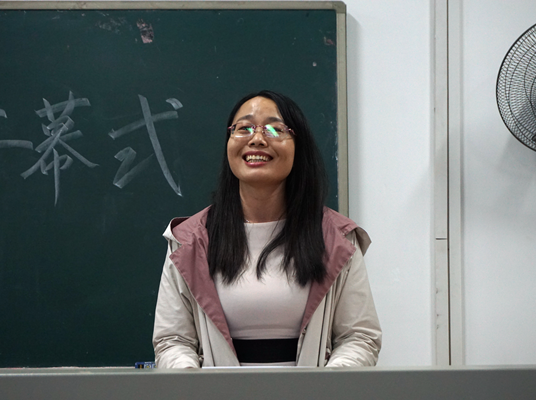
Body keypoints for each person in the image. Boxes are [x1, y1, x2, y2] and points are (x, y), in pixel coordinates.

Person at [152, 90, 381, 368]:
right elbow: (173, 340)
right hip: (215, 392)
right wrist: (193, 380)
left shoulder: (338, 238)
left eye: (275, 129)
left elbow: (358, 337)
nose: (257, 139)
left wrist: (326, 384)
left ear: (298, 147)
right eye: (244, 128)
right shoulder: (189, 240)